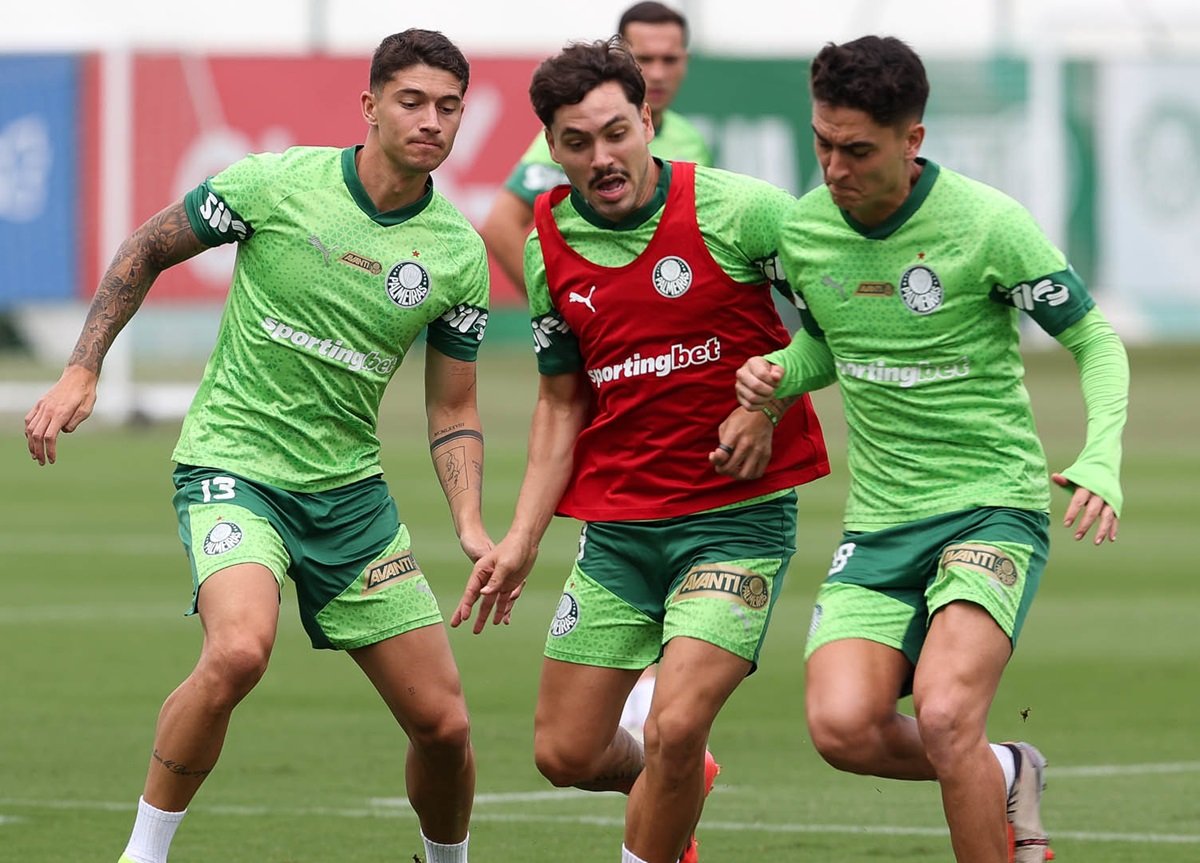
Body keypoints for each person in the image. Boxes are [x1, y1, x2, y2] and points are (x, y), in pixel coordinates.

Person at [24, 29, 490, 863]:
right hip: (234, 468)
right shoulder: (275, 183)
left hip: (350, 499)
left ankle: (445, 860)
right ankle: (143, 853)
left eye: (448, 106)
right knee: (239, 648)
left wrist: (470, 522)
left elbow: (453, 406)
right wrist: (81, 369)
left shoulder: (455, 253)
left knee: (445, 724)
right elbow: (147, 247)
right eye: (412, 101)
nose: (431, 121)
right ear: (371, 105)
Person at [734, 35, 1128, 863]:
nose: (834, 168)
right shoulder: (805, 233)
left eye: (857, 150)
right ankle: (1007, 767)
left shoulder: (988, 224)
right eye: (822, 143)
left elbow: (1093, 336)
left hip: (990, 507)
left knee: (947, 715)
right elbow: (830, 349)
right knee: (842, 727)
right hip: (880, 524)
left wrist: (1101, 454)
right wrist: (780, 374)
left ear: (913, 140)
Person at [452, 38, 829, 863]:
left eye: (617, 132)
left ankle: (665, 794)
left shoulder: (743, 210)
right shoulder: (547, 245)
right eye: (577, 143)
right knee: (568, 752)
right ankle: (677, 790)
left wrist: (772, 397)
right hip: (619, 533)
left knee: (675, 723)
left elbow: (838, 326)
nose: (603, 156)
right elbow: (560, 399)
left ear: (647, 119)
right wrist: (521, 538)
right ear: (550, 149)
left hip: (735, 523)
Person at [479, 1, 711, 297]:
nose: (657, 73)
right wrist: (555, 306)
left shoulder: (692, 140)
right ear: (624, 59)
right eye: (645, 58)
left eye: (669, 60)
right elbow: (501, 226)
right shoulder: (579, 137)